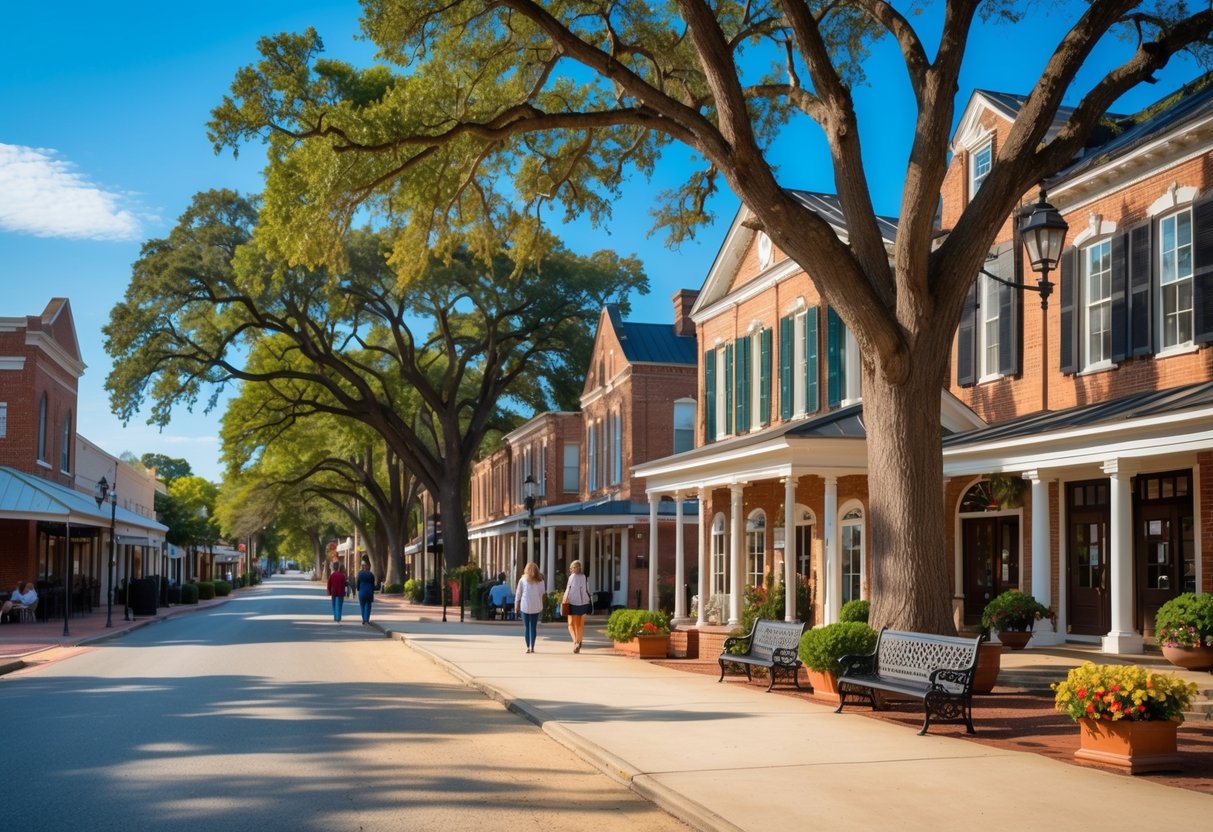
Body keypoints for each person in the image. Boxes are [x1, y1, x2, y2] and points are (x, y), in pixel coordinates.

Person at [561, 560, 593, 653]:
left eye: (574, 567)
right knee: (579, 625)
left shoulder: (572, 577)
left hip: (573, 603)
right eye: (572, 568)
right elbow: (586, 589)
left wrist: (564, 599)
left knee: (571, 625)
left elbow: (568, 589)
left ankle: (576, 641)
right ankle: (578, 642)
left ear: (578, 568)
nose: (573, 569)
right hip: (584, 603)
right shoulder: (584, 577)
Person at [514, 562, 546, 653]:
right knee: (533, 627)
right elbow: (542, 593)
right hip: (536, 606)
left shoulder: (523, 580)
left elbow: (518, 594)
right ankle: (532, 647)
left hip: (525, 606)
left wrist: (516, 605)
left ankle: (528, 646)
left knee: (527, 628)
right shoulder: (540, 581)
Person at [356, 558, 376, 625]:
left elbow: (358, 583)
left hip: (362, 592)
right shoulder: (371, 575)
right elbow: (373, 584)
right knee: (368, 606)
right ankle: (367, 619)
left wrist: (358, 589)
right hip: (369, 592)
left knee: (362, 606)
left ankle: (364, 619)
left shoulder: (360, 574)